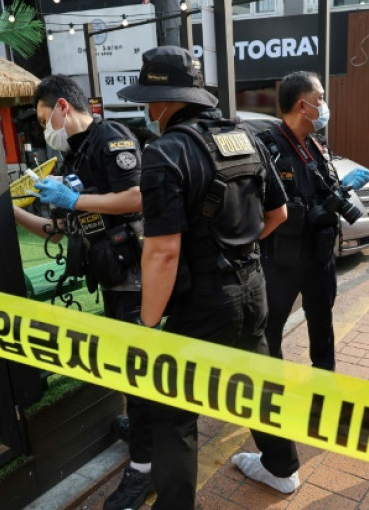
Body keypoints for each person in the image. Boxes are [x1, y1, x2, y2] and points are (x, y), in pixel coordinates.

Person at [117, 46, 300, 509]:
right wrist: (239, 248)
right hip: (252, 286)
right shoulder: (247, 137)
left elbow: (162, 251)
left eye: (149, 100)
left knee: (173, 412)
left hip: (199, 302)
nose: (148, 109)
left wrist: (148, 325)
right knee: (257, 382)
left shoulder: (165, 152)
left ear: (164, 101)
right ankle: (282, 470)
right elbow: (278, 212)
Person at [14, 75, 152, 510]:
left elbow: (136, 197)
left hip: (135, 276)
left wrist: (73, 203)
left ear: (61, 107)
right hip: (113, 277)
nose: (44, 130)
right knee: (130, 367)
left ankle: (145, 467)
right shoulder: (76, 157)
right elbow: (64, 226)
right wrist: (12, 213)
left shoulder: (110, 136)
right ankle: (141, 428)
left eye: (43, 120)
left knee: (139, 368)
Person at [255, 72, 369, 371]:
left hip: (319, 255)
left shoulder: (317, 145)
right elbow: (259, 207)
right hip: (282, 259)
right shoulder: (267, 147)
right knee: (271, 327)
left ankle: (324, 387)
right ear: (302, 105)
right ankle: (272, 391)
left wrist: (340, 191)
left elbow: (324, 188)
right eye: (320, 98)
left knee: (322, 324)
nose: (324, 105)